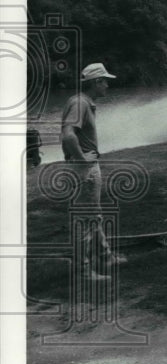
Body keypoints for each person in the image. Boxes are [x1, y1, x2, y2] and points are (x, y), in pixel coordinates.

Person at [60, 62, 126, 281]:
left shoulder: (83, 102)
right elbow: (68, 135)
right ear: (96, 82)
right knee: (86, 221)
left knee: (93, 217)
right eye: (105, 81)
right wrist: (82, 161)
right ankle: (83, 270)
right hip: (84, 169)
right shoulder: (80, 103)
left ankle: (105, 257)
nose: (107, 85)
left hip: (86, 166)